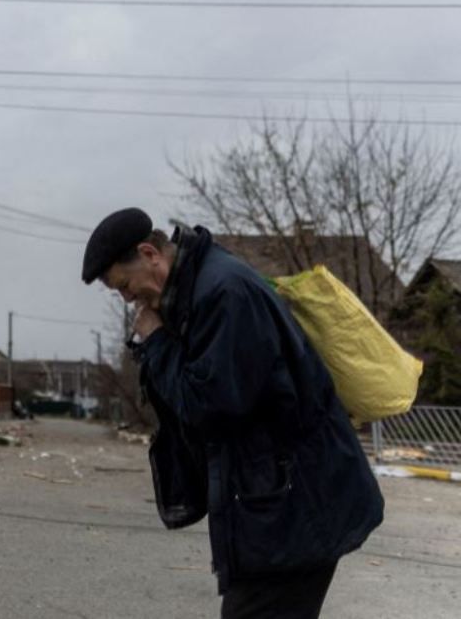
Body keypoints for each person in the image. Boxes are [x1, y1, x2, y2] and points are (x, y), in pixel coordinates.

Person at [82, 208, 384, 619]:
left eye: (124, 285)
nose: (129, 298)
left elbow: (209, 406)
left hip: (296, 510)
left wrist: (156, 342)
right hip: (278, 506)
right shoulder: (203, 289)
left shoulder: (224, 294)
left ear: (150, 253)